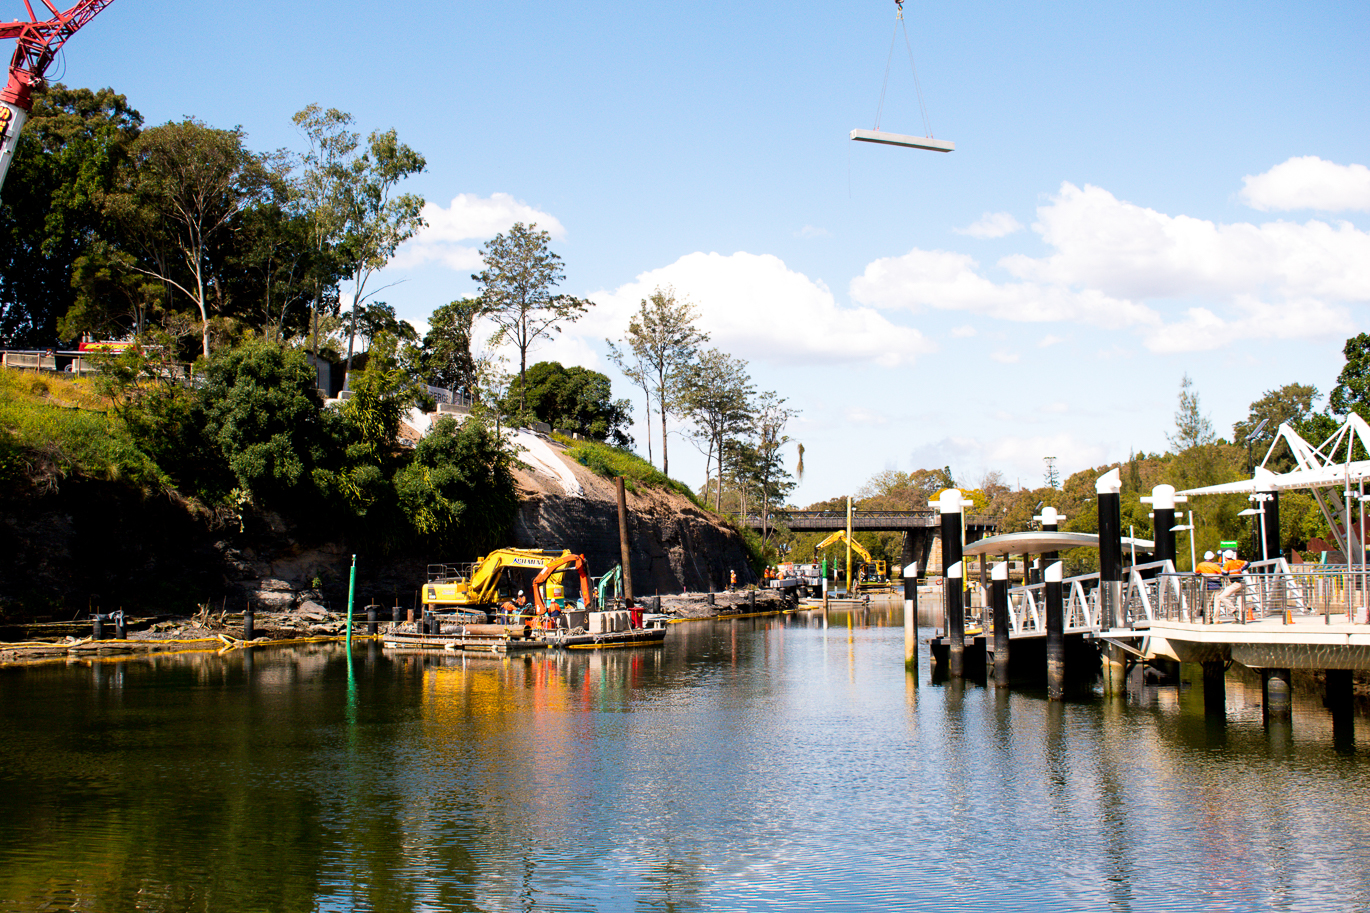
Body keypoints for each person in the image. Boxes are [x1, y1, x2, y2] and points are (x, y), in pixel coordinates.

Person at [1216, 549, 1248, 621]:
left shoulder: (1228, 563)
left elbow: (1224, 573)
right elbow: (1247, 563)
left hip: (1235, 583)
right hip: (1242, 582)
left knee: (1222, 596)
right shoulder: (1237, 561)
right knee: (1240, 602)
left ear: (1225, 557)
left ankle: (1233, 610)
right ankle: (1241, 618)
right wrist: (1242, 569)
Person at [1195, 551, 1223, 622]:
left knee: (1208, 602)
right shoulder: (1215, 566)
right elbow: (1221, 574)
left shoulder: (1200, 565)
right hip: (1216, 586)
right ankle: (1216, 619)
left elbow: (1197, 573)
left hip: (1206, 586)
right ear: (1212, 558)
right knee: (1216, 602)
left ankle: (1208, 618)